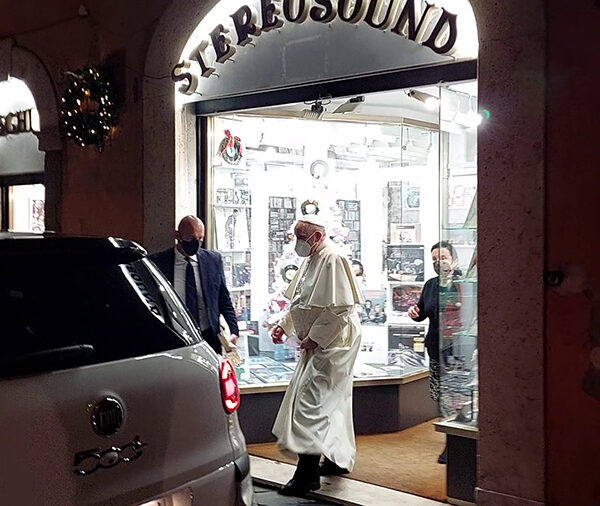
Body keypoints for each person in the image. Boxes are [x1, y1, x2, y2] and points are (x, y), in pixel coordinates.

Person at [270, 215, 364, 497]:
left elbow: (340, 308)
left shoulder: (333, 259)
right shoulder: (312, 257)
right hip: (318, 341)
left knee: (311, 403)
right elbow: (302, 300)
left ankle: (307, 474)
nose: (297, 242)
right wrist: (284, 325)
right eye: (295, 236)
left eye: (301, 236)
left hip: (333, 342)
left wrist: (316, 337)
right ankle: (337, 459)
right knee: (333, 402)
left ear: (318, 236)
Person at [150, 215, 238, 354]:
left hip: (208, 336)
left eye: (200, 239)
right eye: (190, 239)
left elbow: (223, 298)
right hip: (174, 337)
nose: (196, 243)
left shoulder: (213, 260)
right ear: (177, 236)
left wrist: (233, 330)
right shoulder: (158, 263)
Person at [408, 241, 461, 465]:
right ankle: (449, 438)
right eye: (434, 259)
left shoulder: (462, 283)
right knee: (441, 397)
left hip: (458, 349)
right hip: (436, 348)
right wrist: (414, 313)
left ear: (454, 259)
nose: (438, 262)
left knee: (457, 396)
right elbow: (423, 312)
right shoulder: (431, 284)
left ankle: (456, 444)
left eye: (443, 257)